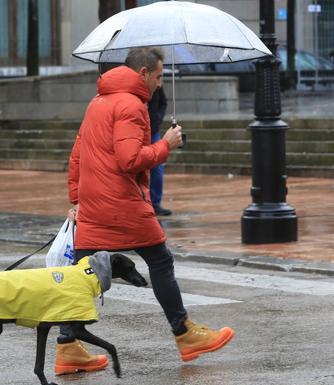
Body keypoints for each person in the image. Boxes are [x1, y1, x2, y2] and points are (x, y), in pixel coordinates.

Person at [55, 47, 234, 375]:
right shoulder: (131, 105)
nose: (160, 83)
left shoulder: (98, 102)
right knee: (161, 260)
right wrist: (166, 144)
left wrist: (77, 199)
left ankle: (67, 346)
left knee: (80, 273)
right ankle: (184, 333)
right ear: (142, 73)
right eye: (158, 76)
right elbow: (130, 160)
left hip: (94, 204)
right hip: (122, 204)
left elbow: (77, 154)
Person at [148, 86, 171, 216]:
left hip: (154, 130)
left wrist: (158, 117)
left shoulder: (156, 86)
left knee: (157, 168)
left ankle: (155, 203)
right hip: (139, 131)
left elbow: (163, 102)